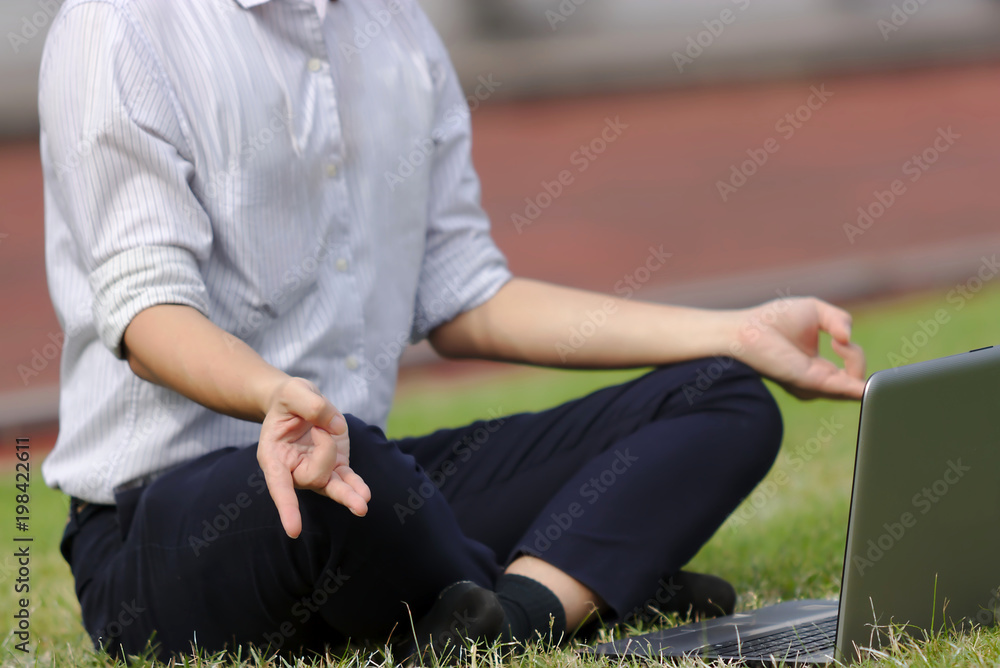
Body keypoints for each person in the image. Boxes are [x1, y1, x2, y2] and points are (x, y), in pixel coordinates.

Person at [38, 0, 867, 661]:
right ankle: (585, 576)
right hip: (166, 530)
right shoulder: (119, 26)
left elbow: (466, 296)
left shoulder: (393, 25)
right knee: (359, 479)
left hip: (363, 482)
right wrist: (272, 396)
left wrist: (737, 330)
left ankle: (508, 616)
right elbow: (148, 313)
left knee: (723, 397)